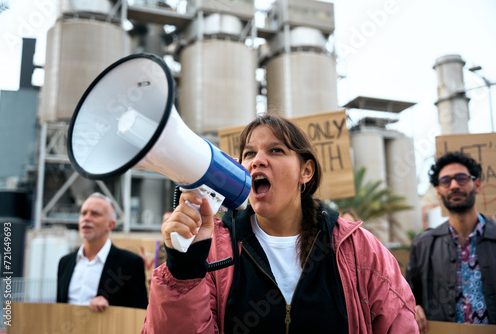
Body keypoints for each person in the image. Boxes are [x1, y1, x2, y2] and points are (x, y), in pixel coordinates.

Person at [142, 113, 418, 333]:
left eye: (275, 150)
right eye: (249, 154)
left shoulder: (358, 248)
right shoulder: (213, 249)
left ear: (306, 171)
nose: (257, 161)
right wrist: (184, 275)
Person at [406, 152, 496, 332]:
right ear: (438, 192)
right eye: (446, 181)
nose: (454, 185)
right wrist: (412, 309)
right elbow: (408, 299)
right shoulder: (422, 245)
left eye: (461, 178)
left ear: (477, 184)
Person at [57, 192, 148, 312]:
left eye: (95, 214)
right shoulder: (65, 262)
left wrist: (110, 309)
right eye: (83, 213)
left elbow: (139, 313)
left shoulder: (130, 263)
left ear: (111, 224)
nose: (87, 218)